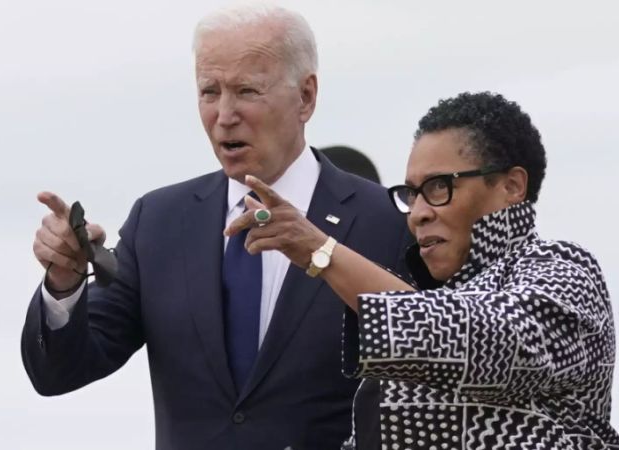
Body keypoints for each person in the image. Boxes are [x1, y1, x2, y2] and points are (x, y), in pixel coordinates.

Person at [20, 4, 410, 450]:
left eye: (246, 90)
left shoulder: (386, 221)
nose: (224, 114)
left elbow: (437, 375)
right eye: (209, 91)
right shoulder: (159, 222)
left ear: (306, 97)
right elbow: (58, 373)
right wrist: (64, 284)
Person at [227, 92, 619, 449]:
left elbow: (484, 341)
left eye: (438, 187)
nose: (418, 214)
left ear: (512, 186)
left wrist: (323, 251)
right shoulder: (431, 299)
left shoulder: (564, 271)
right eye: (413, 194)